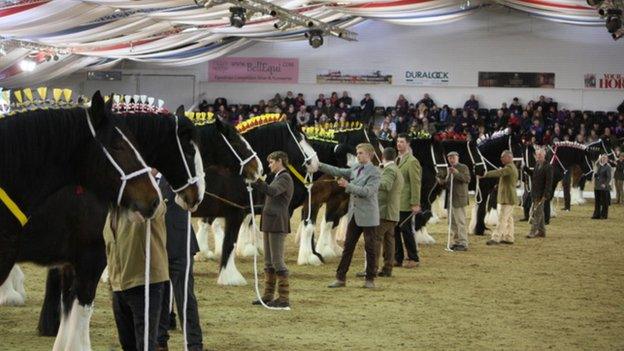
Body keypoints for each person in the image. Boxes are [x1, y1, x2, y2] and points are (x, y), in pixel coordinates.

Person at [104, 170, 168, 351]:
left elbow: (157, 207)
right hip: (119, 286)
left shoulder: (145, 200)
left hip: (145, 283)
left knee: (145, 345)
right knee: (128, 345)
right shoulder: (111, 212)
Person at [316, 143, 380, 289]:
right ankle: (340, 278)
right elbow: (337, 170)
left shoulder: (375, 172)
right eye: (357, 153)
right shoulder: (356, 168)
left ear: (370, 155)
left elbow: (367, 192)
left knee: (370, 248)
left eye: (361, 153)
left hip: (369, 216)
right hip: (355, 215)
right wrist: (319, 164)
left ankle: (370, 279)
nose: (357, 155)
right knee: (348, 247)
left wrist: (348, 186)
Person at [156, 177, 204, 351]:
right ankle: (160, 341)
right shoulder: (146, 180)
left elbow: (194, 200)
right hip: (156, 248)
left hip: (180, 246)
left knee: (185, 298)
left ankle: (193, 344)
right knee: (159, 298)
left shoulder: (177, 176)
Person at [249, 151, 294, 307]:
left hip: (277, 223)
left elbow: (272, 191)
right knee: (268, 261)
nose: (269, 165)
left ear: (280, 161)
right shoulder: (277, 177)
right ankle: (268, 295)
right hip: (270, 222)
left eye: (271, 162)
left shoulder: (285, 178)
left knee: (277, 261)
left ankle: (283, 298)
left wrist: (256, 180)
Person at [357, 147, 403, 278]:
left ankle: (371, 269)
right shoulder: (394, 169)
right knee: (389, 240)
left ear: (382, 156)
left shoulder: (389, 170)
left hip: (384, 211)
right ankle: (387, 269)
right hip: (391, 211)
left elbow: (386, 185)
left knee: (374, 239)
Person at [394, 134, 422, 268]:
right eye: (398, 141)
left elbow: (415, 183)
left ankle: (413, 258)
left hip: (406, 202)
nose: (399, 144)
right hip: (395, 202)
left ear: (408, 144)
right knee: (395, 230)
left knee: (405, 229)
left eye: (402, 142)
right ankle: (397, 258)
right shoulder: (396, 160)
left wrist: (415, 203)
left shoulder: (412, 161)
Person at [480, 150, 518, 245]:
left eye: (503, 157)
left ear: (509, 157)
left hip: (507, 198)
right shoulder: (511, 167)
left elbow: (499, 173)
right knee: (508, 219)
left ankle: (496, 238)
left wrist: (485, 174)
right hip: (509, 197)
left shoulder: (509, 168)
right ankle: (509, 237)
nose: (501, 159)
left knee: (502, 219)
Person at [436, 151, 471, 251]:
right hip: (450, 199)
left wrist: (456, 173)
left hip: (459, 199)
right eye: (450, 158)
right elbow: (447, 184)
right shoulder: (447, 169)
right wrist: (441, 181)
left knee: (461, 221)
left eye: (453, 157)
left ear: (458, 157)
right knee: (452, 222)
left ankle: (463, 243)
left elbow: (467, 179)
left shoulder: (463, 167)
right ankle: (456, 241)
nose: (451, 159)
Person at [524, 148, 553, 238]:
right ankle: (542, 232)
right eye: (537, 155)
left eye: (540, 155)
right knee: (540, 212)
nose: (539, 156)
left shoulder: (548, 166)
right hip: (535, 193)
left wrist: (545, 195)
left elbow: (549, 182)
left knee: (537, 213)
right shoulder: (537, 164)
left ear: (544, 155)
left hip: (542, 194)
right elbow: (534, 175)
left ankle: (533, 232)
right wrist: (525, 168)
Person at [592, 154, 612, 219]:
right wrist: (598, 158)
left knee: (604, 202)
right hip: (597, 186)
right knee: (597, 202)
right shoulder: (599, 165)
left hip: (604, 187)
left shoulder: (608, 167)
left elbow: (609, 178)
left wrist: (605, 184)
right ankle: (596, 214)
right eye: (602, 158)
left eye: (605, 158)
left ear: (607, 159)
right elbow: (596, 163)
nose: (603, 159)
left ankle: (604, 215)